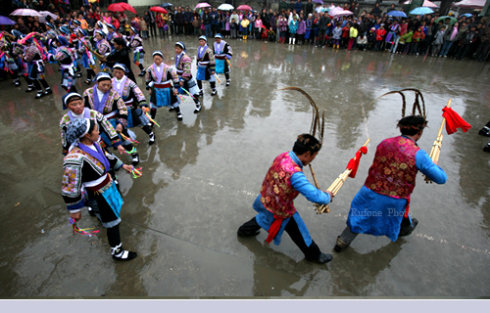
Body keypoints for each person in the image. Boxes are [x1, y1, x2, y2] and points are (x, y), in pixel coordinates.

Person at [334, 116, 447, 252]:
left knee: (358, 217)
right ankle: (404, 230)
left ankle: (342, 241)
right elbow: (441, 178)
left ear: (400, 128)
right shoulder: (418, 154)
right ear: (420, 133)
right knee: (395, 214)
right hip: (394, 198)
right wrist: (433, 165)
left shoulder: (384, 143)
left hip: (369, 191)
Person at [237, 134, 334, 264]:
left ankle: (244, 230)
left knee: (265, 216)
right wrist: (327, 196)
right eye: (313, 156)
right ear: (306, 154)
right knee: (299, 230)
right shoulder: (295, 174)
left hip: (267, 198)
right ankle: (314, 255)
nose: (312, 160)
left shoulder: (283, 156)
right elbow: (314, 196)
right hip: (281, 207)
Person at [62, 118, 137, 261]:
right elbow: (70, 185)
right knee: (113, 222)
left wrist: (123, 166)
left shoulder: (95, 144)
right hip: (97, 193)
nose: (99, 131)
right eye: (96, 129)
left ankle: (98, 214)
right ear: (87, 135)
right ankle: (117, 251)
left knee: (106, 213)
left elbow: (108, 157)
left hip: (107, 186)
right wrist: (74, 210)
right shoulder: (74, 158)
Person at [83, 72, 140, 165]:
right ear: (97, 83)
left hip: (112, 121)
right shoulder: (87, 93)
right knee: (101, 144)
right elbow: (85, 109)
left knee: (124, 139)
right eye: (103, 85)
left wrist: (120, 123)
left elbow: (122, 108)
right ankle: (112, 162)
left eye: (108, 85)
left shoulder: (114, 94)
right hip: (96, 123)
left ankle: (134, 154)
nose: (106, 87)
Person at [112, 63, 155, 145]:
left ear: (124, 72)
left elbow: (138, 93)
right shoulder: (111, 82)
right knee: (121, 126)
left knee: (140, 123)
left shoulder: (129, 82)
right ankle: (128, 142)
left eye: (119, 72)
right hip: (118, 109)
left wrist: (142, 104)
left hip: (129, 108)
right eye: (115, 72)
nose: (117, 74)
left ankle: (151, 134)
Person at [145, 50, 182, 121]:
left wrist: (176, 88)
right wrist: (149, 88)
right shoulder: (150, 69)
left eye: (158, 59)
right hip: (156, 89)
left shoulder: (168, 68)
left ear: (162, 59)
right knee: (153, 105)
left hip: (167, 88)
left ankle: (178, 112)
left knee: (174, 101)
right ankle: (152, 119)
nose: (157, 61)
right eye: (155, 59)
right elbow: (148, 79)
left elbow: (175, 78)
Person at [174, 41, 202, 113]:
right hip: (179, 77)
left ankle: (198, 105)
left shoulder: (186, 58)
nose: (176, 50)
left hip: (186, 78)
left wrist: (182, 80)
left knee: (192, 93)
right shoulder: (177, 57)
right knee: (175, 92)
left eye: (178, 49)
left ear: (182, 49)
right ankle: (175, 106)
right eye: (176, 48)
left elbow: (187, 71)